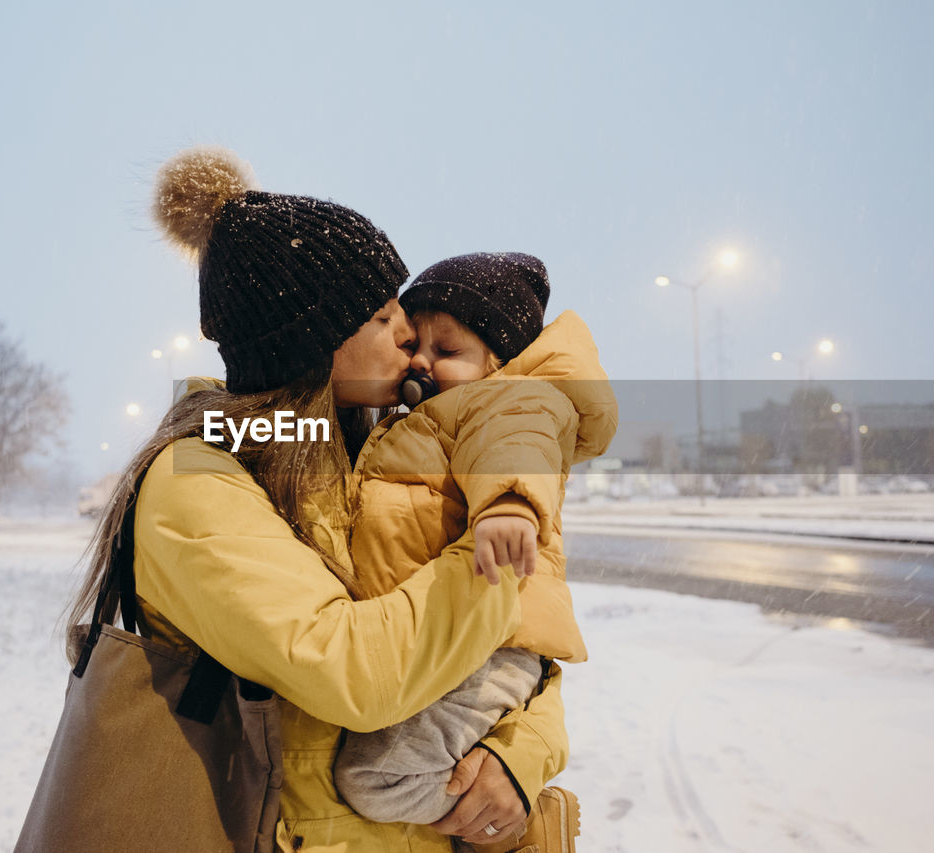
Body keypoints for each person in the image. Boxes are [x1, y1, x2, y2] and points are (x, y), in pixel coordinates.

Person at [64, 146, 569, 852]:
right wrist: (501, 558)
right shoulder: (197, 484)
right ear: (315, 344)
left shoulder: (368, 458)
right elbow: (358, 671)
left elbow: (514, 661)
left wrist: (519, 756)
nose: (409, 337)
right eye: (382, 316)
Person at [334, 252, 617, 849]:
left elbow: (517, 444)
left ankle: (524, 826)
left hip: (488, 648)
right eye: (417, 343)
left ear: (497, 362)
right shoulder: (415, 420)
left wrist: (509, 506)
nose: (420, 361)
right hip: (445, 642)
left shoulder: (508, 399)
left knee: (375, 777)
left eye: (448, 350)